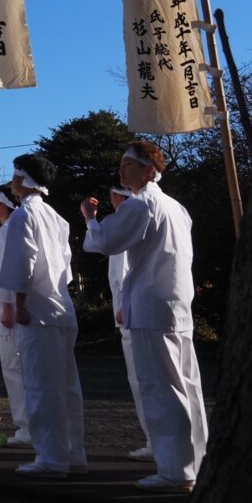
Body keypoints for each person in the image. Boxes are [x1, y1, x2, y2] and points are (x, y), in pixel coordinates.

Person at [81, 140, 207, 493]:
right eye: (121, 164)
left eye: (129, 165)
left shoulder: (142, 205)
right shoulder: (176, 207)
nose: (122, 170)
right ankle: (196, 461)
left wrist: (91, 219)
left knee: (162, 389)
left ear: (149, 171)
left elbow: (106, 241)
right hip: (177, 304)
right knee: (187, 386)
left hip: (152, 306)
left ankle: (176, 471)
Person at [0, 153, 87, 478]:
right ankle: (74, 454)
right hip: (61, 308)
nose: (11, 181)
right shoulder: (56, 217)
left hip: (37, 310)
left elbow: (24, 263)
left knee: (40, 385)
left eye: (14, 175)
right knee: (66, 386)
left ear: (24, 179)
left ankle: (51, 458)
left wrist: (19, 304)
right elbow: (63, 268)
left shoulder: (23, 216)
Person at [102, 183, 153, 463]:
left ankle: (155, 441)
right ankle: (156, 440)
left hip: (132, 312)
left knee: (142, 378)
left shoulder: (128, 219)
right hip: (137, 309)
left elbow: (123, 273)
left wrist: (121, 307)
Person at [0, 184, 31, 448]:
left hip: (10, 307)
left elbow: (9, 270)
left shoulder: (9, 229)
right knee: (19, 368)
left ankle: (26, 427)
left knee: (15, 368)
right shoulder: (12, 227)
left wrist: (6, 306)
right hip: (12, 305)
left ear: (2, 206)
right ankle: (28, 425)